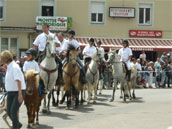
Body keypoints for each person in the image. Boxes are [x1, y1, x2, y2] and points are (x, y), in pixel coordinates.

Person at [0, 50, 26, 129]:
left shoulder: (14, 67)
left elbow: (18, 81)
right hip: (11, 92)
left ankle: (16, 126)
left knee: (13, 111)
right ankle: (17, 124)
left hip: (17, 92)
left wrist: (20, 95)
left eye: (1, 59)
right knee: (8, 111)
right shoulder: (9, 66)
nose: (0, 60)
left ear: (5, 59)